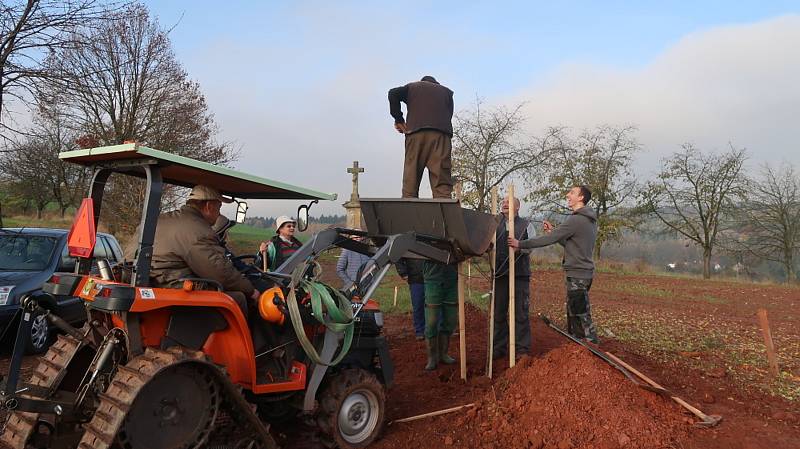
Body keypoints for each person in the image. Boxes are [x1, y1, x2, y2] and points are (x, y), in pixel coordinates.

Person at [148, 185, 260, 317]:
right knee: (239, 298)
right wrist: (251, 291)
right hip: (169, 284)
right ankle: (243, 337)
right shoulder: (199, 230)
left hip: (150, 280)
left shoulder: (161, 219)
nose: (219, 214)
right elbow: (220, 272)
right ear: (208, 206)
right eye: (219, 208)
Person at [508, 185, 599, 343]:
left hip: (577, 274)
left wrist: (520, 243)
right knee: (575, 311)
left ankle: (592, 347)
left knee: (580, 314)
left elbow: (547, 240)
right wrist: (553, 232)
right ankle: (578, 345)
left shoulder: (577, 219)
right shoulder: (588, 219)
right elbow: (571, 243)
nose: (567, 195)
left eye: (572, 193)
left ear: (581, 198)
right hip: (583, 273)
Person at [388, 75, 454, 199]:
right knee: (442, 187)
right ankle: (444, 217)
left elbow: (393, 93)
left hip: (416, 134)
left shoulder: (413, 87)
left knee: (410, 181)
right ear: (437, 83)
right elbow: (448, 114)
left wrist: (398, 119)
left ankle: (408, 215)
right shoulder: (447, 92)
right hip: (441, 137)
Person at [493, 197, 535, 358]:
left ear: (517, 207)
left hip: (519, 275)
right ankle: (498, 348)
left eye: (508, 203)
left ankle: (521, 350)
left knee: (521, 313)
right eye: (502, 202)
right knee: (499, 313)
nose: (504, 204)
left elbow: (531, 246)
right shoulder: (494, 224)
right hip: (500, 274)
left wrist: (520, 248)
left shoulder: (526, 225)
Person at [421, 261, 458, 371]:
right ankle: (432, 357)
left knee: (450, 321)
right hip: (433, 277)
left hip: (451, 278)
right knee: (431, 321)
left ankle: (443, 354)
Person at [395, 258, 426, 340]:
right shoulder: (405, 244)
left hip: (432, 278)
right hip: (415, 279)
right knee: (418, 305)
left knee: (434, 305)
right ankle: (420, 331)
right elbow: (398, 257)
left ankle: (437, 331)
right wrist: (403, 272)